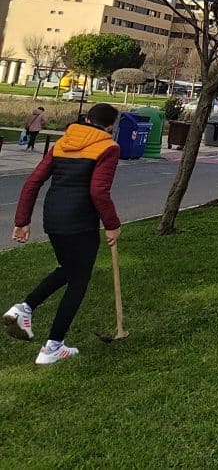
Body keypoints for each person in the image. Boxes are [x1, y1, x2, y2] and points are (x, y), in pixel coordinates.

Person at [4, 103, 122, 365]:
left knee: (69, 270)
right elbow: (98, 192)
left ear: (87, 119)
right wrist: (112, 223)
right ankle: (53, 347)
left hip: (54, 217)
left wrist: (22, 220)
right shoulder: (108, 148)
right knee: (78, 280)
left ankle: (24, 309)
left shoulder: (62, 143)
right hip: (80, 223)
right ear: (111, 125)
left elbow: (33, 181)